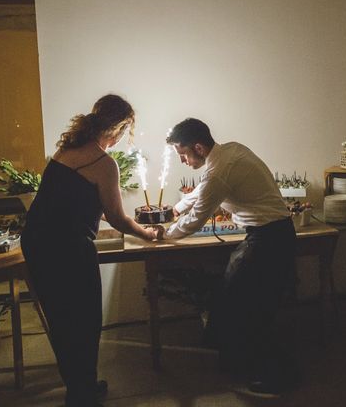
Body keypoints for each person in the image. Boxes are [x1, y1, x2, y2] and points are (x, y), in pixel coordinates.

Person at [21, 94, 162, 407]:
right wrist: (146, 232)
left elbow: (69, 201)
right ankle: (82, 395)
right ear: (118, 129)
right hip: (68, 249)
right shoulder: (103, 162)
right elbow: (116, 216)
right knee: (85, 321)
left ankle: (79, 386)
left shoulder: (67, 149)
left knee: (62, 319)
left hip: (37, 243)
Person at [160, 118, 297, 397]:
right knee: (241, 301)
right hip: (270, 235)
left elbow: (198, 217)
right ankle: (243, 363)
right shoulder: (229, 152)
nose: (184, 161)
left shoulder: (220, 170)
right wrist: (174, 210)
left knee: (252, 307)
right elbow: (202, 190)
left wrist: (164, 235)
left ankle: (279, 376)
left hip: (270, 239)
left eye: (184, 154)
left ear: (198, 147)